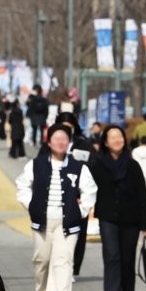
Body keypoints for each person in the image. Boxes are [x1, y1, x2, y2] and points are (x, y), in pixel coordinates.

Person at [15, 124, 97, 291]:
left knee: (64, 259)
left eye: (64, 139)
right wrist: (31, 205)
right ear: (49, 142)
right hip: (42, 220)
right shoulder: (36, 164)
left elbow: (90, 189)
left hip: (68, 221)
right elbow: (22, 185)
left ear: (69, 143)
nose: (60, 142)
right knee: (41, 259)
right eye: (56, 138)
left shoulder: (78, 167)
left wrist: (81, 210)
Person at [90, 125, 146, 291]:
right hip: (107, 217)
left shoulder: (132, 165)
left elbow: (142, 195)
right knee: (111, 255)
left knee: (127, 257)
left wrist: (145, 223)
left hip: (131, 219)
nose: (117, 140)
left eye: (120, 137)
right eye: (113, 137)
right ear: (106, 142)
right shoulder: (98, 164)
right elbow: (88, 187)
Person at [51, 111, 95, 277]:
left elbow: (92, 166)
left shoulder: (83, 144)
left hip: (78, 196)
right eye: (62, 127)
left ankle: (74, 268)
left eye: (69, 127)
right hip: (55, 196)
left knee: (78, 234)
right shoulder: (50, 144)